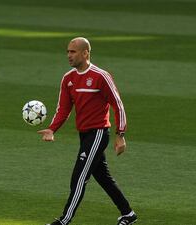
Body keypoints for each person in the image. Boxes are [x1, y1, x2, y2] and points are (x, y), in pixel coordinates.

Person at [38, 37, 137, 225]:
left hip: (99, 133)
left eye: (73, 52)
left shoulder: (101, 76)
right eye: (67, 51)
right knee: (103, 178)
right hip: (84, 135)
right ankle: (128, 214)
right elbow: (63, 109)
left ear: (85, 53)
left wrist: (120, 134)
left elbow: (118, 105)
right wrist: (52, 129)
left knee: (79, 176)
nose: (68, 55)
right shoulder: (68, 79)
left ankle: (64, 220)